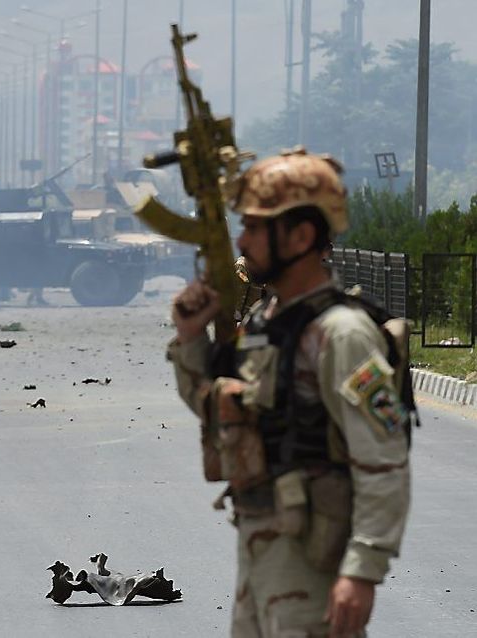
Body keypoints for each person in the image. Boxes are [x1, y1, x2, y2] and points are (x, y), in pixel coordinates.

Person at [167, 149, 411, 637]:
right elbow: (221, 410)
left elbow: (384, 460)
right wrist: (191, 340)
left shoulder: (342, 335)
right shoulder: (264, 324)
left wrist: (362, 571)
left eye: (257, 228)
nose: (242, 240)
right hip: (260, 551)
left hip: (312, 561)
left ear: (301, 236)